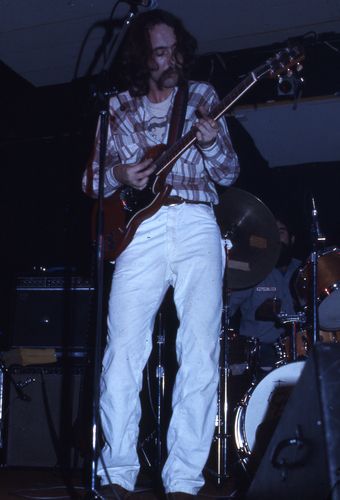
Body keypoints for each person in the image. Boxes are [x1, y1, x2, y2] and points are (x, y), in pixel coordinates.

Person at [82, 9, 239, 499]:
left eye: (175, 49)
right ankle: (117, 475)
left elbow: (230, 172)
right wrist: (120, 176)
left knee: (197, 351)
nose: (170, 59)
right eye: (159, 51)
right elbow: (91, 180)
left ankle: (184, 481)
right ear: (142, 56)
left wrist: (211, 146)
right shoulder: (119, 108)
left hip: (195, 220)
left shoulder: (203, 99)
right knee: (123, 351)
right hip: (140, 232)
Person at [228, 219, 302, 371]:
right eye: (271, 233)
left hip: (299, 349)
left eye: (281, 232)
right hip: (259, 351)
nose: (276, 237)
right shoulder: (252, 271)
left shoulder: (304, 270)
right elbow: (226, 310)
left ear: (292, 239)